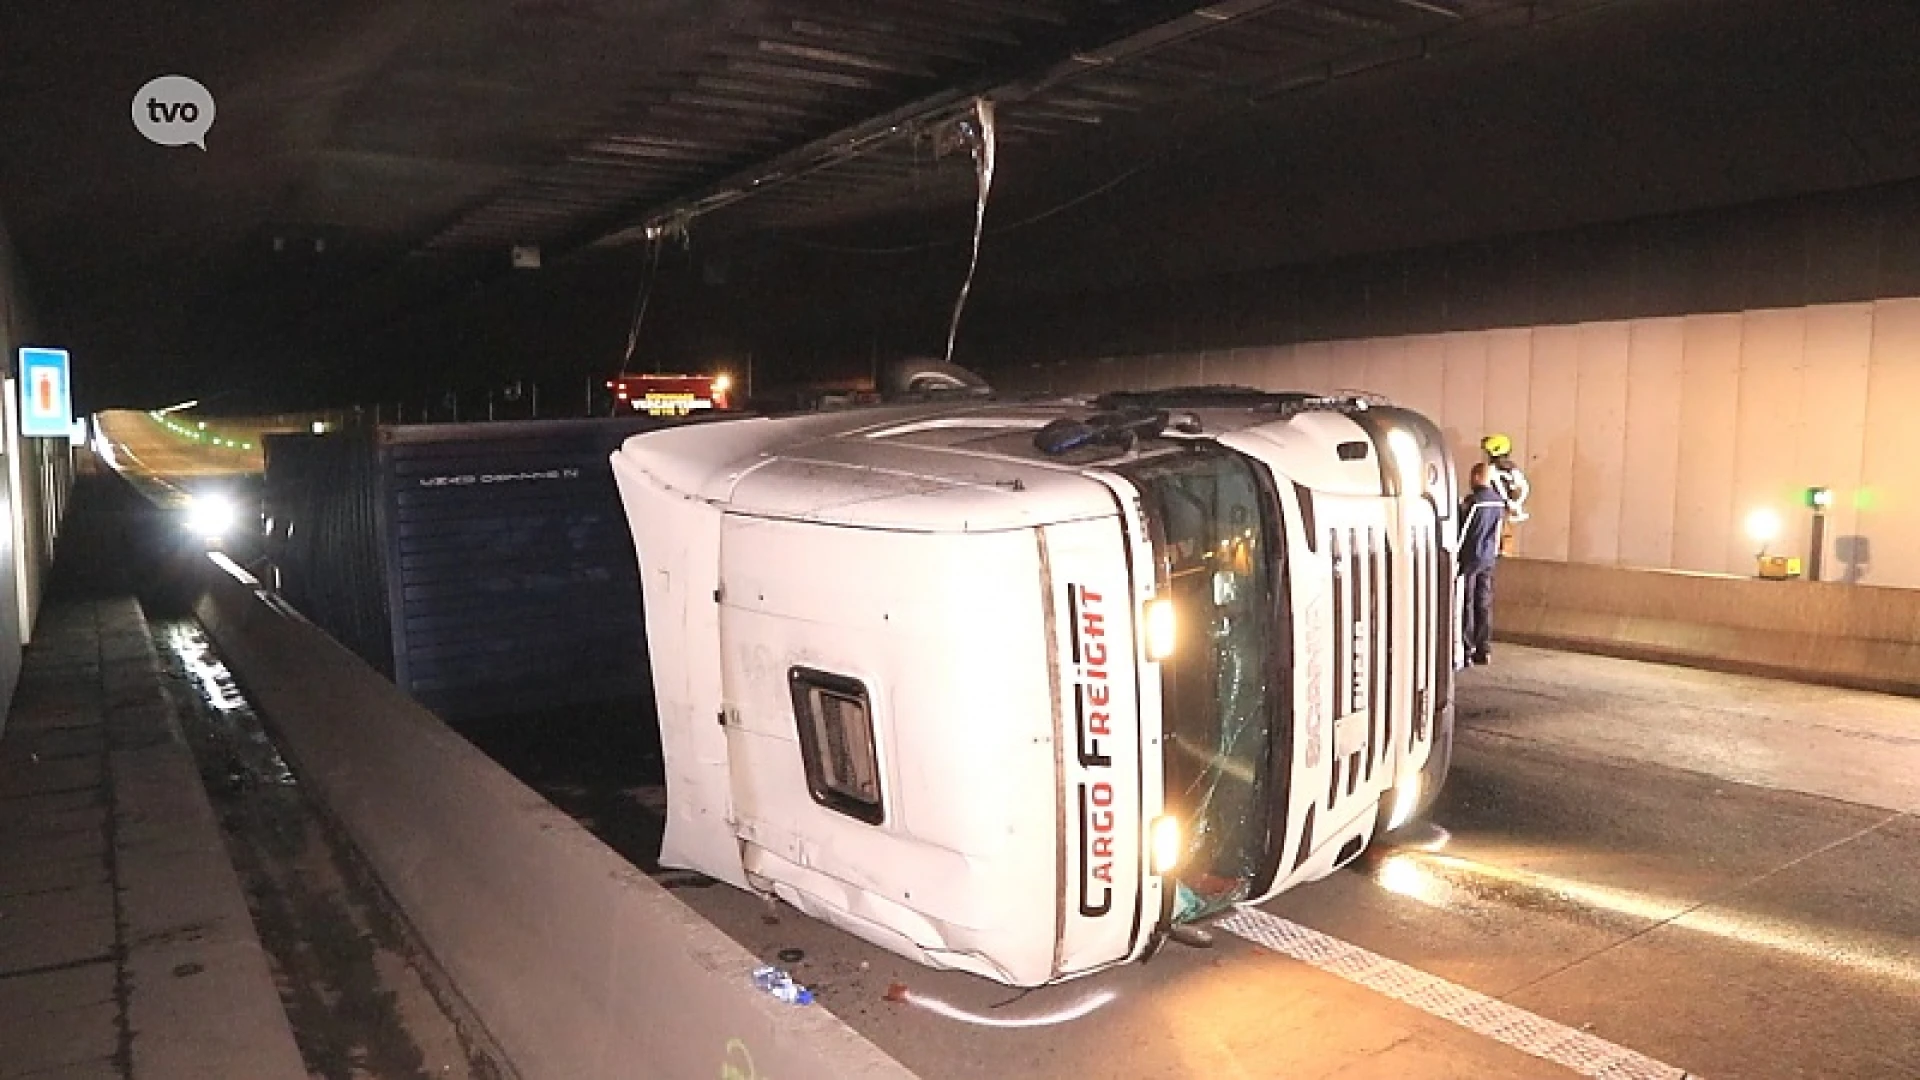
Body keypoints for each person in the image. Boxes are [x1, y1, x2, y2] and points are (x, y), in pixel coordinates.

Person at [1458, 462, 1507, 666]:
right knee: (1484, 603)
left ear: (1477, 477)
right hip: (1488, 557)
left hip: (1471, 557)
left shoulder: (1474, 502)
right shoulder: (1498, 502)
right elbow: (1497, 532)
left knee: (1467, 603)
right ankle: (1484, 648)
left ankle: (1467, 648)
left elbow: (1464, 530)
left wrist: (1457, 554)